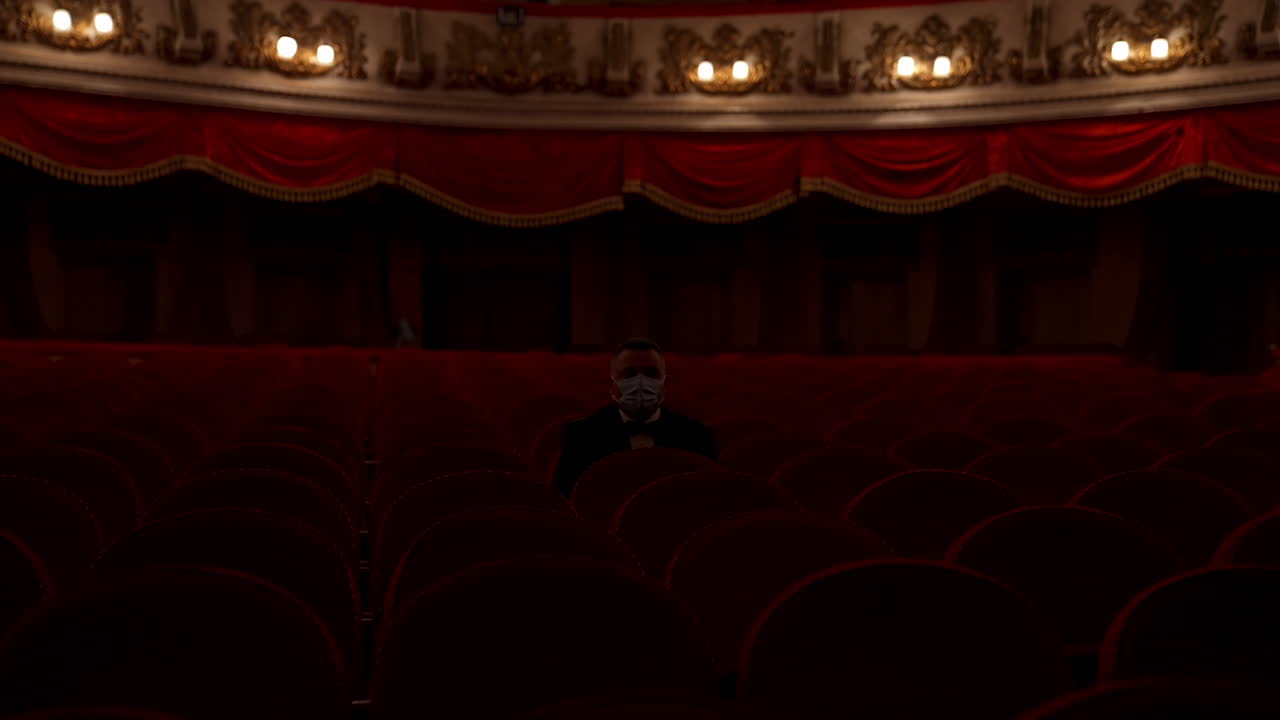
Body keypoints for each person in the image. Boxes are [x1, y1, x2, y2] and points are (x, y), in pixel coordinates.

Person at [554, 338, 716, 497]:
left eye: (651, 374)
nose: (641, 382)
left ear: (664, 381)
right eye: (629, 374)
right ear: (613, 382)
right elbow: (568, 497)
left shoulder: (696, 435)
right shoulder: (582, 434)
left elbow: (708, 496)